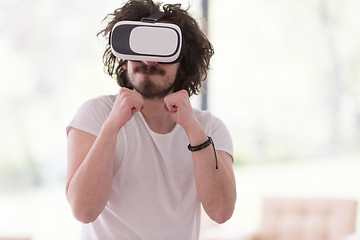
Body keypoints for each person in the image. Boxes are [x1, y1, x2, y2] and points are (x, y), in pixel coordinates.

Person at [65, 0, 236, 239]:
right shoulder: (95, 114)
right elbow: (84, 210)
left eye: (161, 50)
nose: (148, 61)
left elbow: (221, 212)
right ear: (124, 60)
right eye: (139, 48)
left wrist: (194, 132)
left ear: (184, 64)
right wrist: (111, 127)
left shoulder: (209, 128)